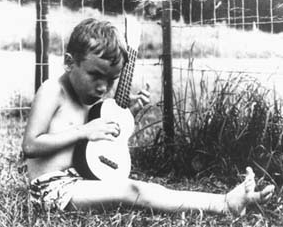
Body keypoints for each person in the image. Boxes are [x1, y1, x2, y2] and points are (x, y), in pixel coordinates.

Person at [22, 18, 274, 215]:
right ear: (69, 62)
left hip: (82, 178)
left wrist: (128, 112)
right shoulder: (53, 91)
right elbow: (30, 145)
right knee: (133, 190)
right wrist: (83, 131)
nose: (102, 88)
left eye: (111, 80)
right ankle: (224, 204)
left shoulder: (91, 97)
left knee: (142, 187)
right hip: (50, 190)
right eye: (95, 75)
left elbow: (94, 142)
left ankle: (228, 201)